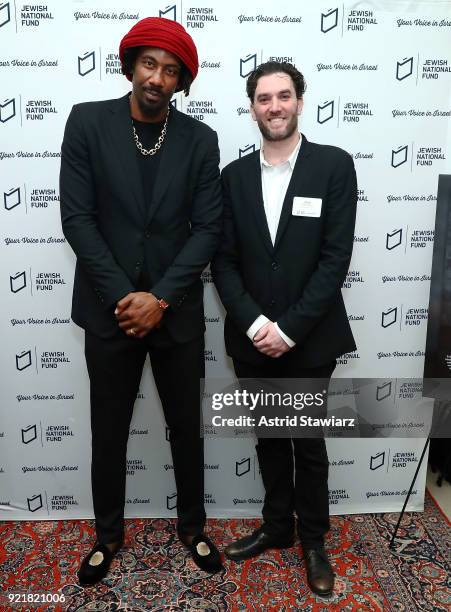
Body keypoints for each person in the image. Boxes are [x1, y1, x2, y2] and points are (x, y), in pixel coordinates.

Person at [60, 17, 223, 586]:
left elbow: (206, 229)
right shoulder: (87, 123)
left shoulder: (200, 140)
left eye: (171, 69)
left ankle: (193, 527)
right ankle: (107, 536)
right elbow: (77, 219)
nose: (158, 77)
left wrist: (159, 298)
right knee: (108, 430)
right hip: (110, 312)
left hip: (174, 315)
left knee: (188, 428)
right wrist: (126, 298)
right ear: (130, 65)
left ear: (181, 82)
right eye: (149, 64)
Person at [211, 61, 357, 597]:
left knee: (307, 443)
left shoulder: (334, 166)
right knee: (269, 440)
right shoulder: (233, 176)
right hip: (252, 338)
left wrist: (289, 329)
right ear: (252, 107)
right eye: (263, 98)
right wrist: (253, 323)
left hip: (311, 337)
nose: (274, 106)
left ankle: (314, 540)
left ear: (300, 100)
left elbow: (334, 258)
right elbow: (222, 261)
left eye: (284, 95)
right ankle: (277, 528)